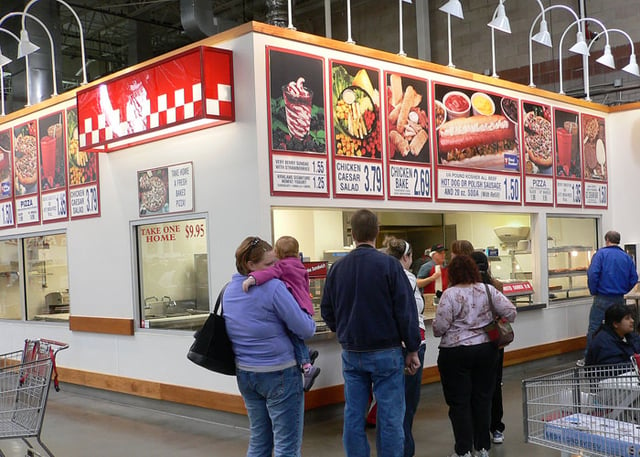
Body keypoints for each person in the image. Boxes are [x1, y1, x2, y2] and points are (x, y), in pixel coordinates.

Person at [321, 209, 421, 457]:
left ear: (352, 233)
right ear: (378, 231)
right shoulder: (389, 266)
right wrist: (412, 348)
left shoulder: (337, 268)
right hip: (387, 351)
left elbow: (327, 309)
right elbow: (405, 310)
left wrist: (342, 330)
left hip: (352, 352)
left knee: (353, 415)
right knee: (390, 416)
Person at [224, 236, 316, 457]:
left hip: (246, 374)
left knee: (259, 442)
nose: (276, 268)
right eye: (269, 264)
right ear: (250, 265)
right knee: (287, 447)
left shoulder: (229, 290)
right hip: (280, 375)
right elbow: (306, 329)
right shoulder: (273, 288)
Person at [433, 255, 516, 457]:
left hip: (455, 352)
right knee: (483, 399)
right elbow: (511, 312)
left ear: (452, 273)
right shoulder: (487, 289)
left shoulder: (450, 294)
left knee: (459, 402)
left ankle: (463, 450)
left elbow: (438, 328)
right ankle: (483, 447)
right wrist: (492, 318)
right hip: (486, 351)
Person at [242, 235, 320, 391]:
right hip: (304, 304)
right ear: (297, 253)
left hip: (294, 303)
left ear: (277, 253)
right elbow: (305, 285)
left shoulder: (282, 266)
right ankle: (306, 354)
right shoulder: (300, 266)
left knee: (292, 333)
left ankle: (306, 365)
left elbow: (268, 274)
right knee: (296, 334)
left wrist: (252, 279)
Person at [386, 237, 427, 457]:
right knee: (407, 403)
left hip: (386, 344)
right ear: (406, 257)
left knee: (390, 402)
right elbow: (415, 310)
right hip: (412, 343)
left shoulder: (380, 275)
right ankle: (404, 450)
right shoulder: (408, 277)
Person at [585, 230, 638, 360]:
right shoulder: (626, 257)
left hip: (602, 298)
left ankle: (590, 358)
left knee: (595, 328)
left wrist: (594, 290)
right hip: (619, 299)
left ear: (607, 240)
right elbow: (634, 278)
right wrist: (623, 289)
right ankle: (617, 357)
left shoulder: (600, 255)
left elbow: (593, 274)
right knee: (619, 329)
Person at [471, 251, 506, 445]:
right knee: (495, 385)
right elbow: (508, 311)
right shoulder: (496, 285)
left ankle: (479, 430)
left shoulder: (465, 288)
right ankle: (497, 428)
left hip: (472, 344)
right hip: (495, 341)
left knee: (475, 388)